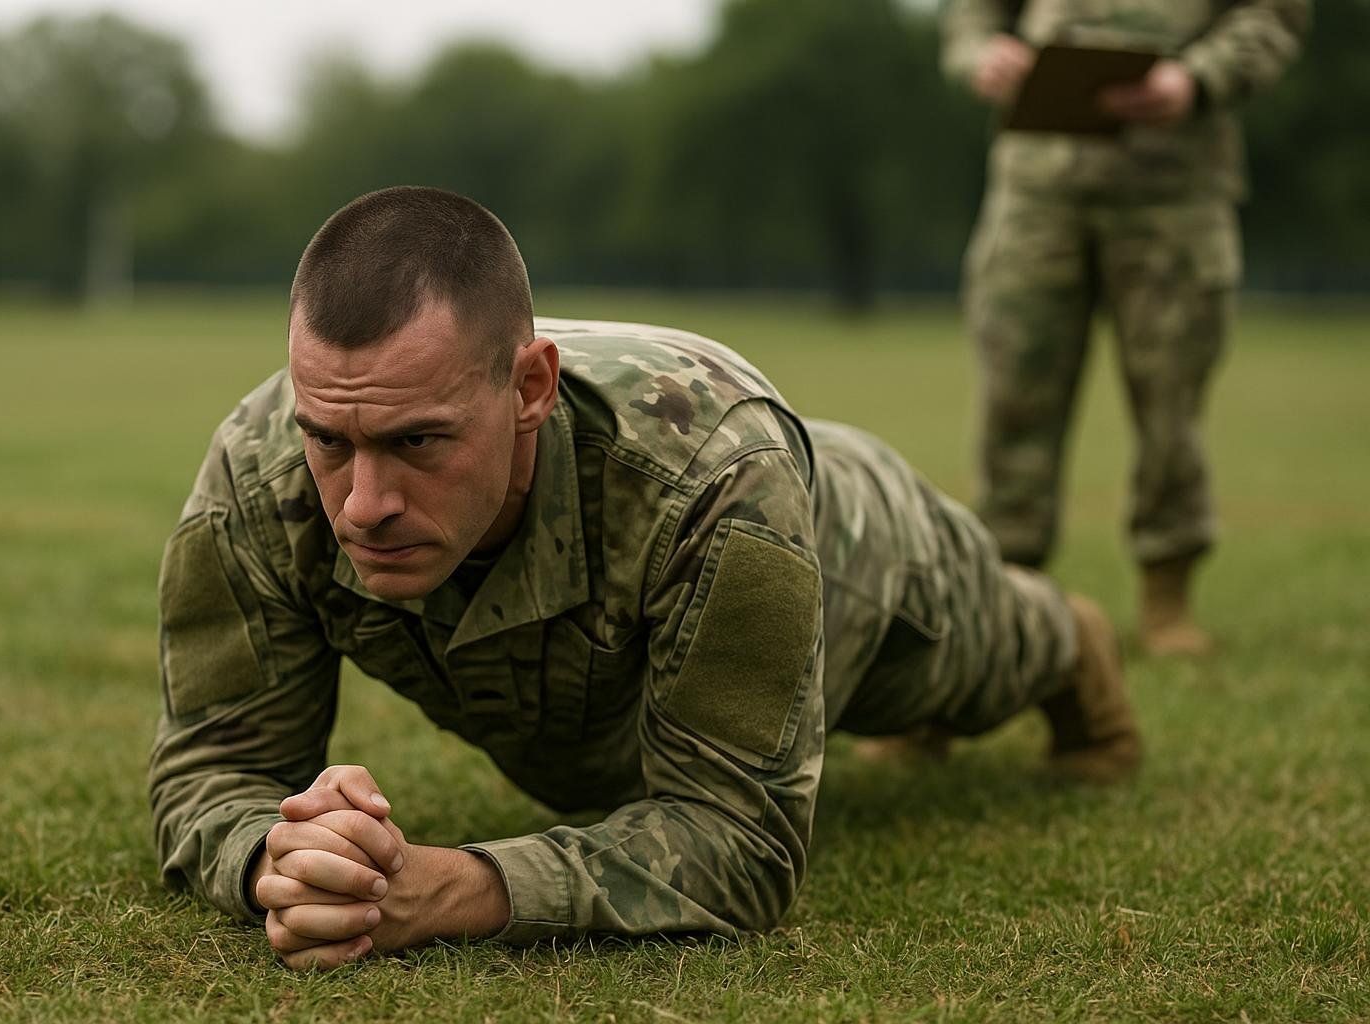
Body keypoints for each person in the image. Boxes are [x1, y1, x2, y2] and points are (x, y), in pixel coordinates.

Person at [149, 186, 1139, 971]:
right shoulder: (261, 472)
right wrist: (276, 861)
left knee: (991, 656)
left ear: (529, 387)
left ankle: (1070, 637)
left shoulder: (719, 477)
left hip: (858, 552)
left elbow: (739, 846)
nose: (363, 502)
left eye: (417, 442)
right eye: (332, 441)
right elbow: (211, 769)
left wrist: (452, 886)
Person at [941, 0, 1310, 655]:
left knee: (1173, 405)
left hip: (1176, 189)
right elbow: (973, 12)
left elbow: (1273, 13)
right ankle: (1004, 595)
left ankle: (1168, 597)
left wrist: (1197, 77)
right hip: (1038, 188)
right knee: (1013, 399)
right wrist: (980, 54)